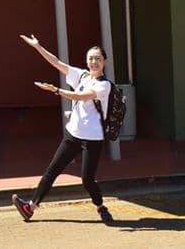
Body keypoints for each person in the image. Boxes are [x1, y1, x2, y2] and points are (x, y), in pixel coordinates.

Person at [11, 34, 114, 225]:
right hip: (73, 134)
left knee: (87, 180)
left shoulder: (104, 85)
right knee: (52, 170)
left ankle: (100, 207)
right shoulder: (81, 75)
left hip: (93, 138)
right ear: (86, 61)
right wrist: (38, 46)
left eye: (98, 59)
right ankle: (30, 208)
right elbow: (57, 62)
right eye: (91, 58)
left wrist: (57, 91)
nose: (94, 62)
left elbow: (83, 96)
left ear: (104, 62)